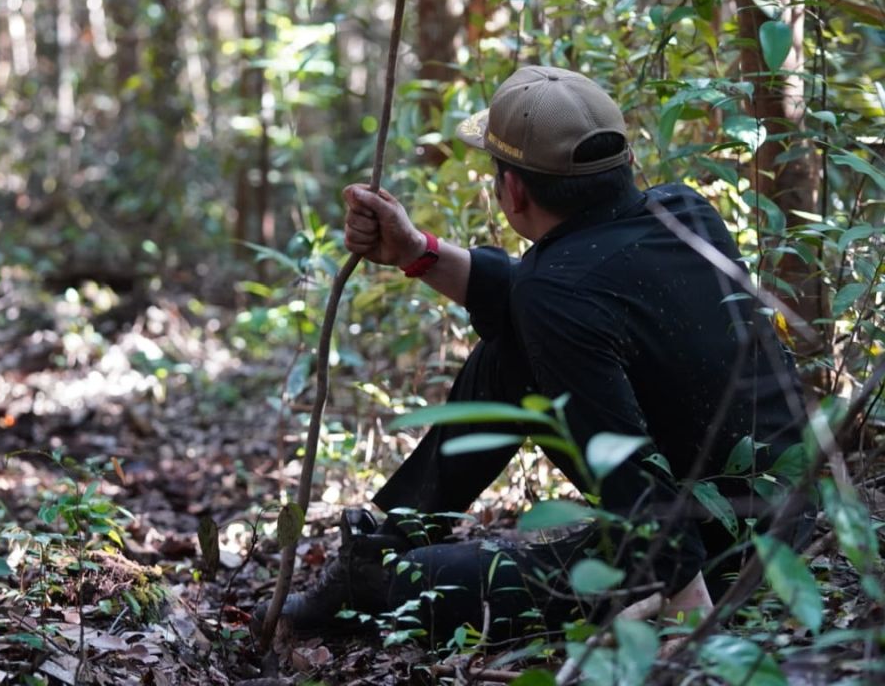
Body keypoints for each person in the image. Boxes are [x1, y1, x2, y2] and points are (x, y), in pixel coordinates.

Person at [267, 65, 813, 644]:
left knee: (408, 583)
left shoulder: (555, 293)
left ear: (514, 191)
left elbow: (627, 464)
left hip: (716, 553)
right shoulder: (684, 210)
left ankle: (372, 575)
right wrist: (415, 250)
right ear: (625, 163)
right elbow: (539, 290)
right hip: (787, 517)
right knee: (510, 342)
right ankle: (398, 530)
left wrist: (689, 622)